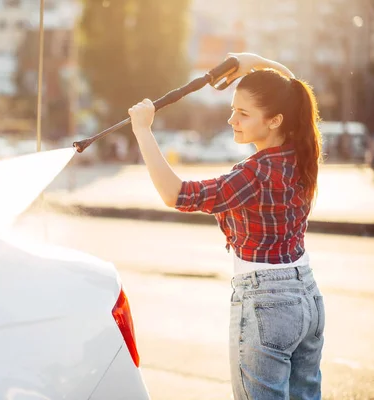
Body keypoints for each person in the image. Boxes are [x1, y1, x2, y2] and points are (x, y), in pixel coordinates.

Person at [128, 52, 325, 399]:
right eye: (233, 108)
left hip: (267, 302)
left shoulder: (252, 174)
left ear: (275, 120)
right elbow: (293, 93)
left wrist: (143, 131)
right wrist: (257, 63)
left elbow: (176, 195)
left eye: (243, 113)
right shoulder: (300, 153)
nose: (231, 119)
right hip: (308, 298)